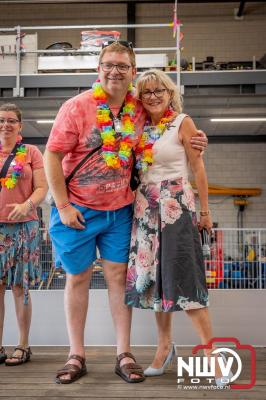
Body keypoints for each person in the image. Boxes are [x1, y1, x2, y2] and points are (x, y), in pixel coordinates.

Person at [44, 41, 208, 384]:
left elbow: (168, 124)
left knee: (119, 279)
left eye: (122, 65)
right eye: (108, 64)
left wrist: (197, 138)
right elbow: (52, 156)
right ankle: (76, 355)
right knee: (78, 278)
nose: (114, 71)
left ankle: (124, 352)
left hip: (120, 210)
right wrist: (62, 205)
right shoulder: (76, 107)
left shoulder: (138, 106)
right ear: (98, 69)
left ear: (132, 72)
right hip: (77, 210)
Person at [125, 69, 232, 386]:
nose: (154, 96)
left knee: (186, 278)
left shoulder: (182, 122)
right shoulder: (138, 129)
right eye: (147, 92)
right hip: (145, 209)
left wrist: (205, 210)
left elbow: (198, 168)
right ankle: (163, 349)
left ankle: (212, 357)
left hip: (177, 207)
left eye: (159, 90)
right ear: (140, 99)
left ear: (170, 93)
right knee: (157, 284)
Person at [0, 103, 47, 366]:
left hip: (24, 228)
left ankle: (23, 345)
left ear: (19, 125)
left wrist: (26, 205)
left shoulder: (30, 152)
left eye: (11, 121)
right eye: (1, 120)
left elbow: (41, 187)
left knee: (20, 288)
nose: (5, 125)